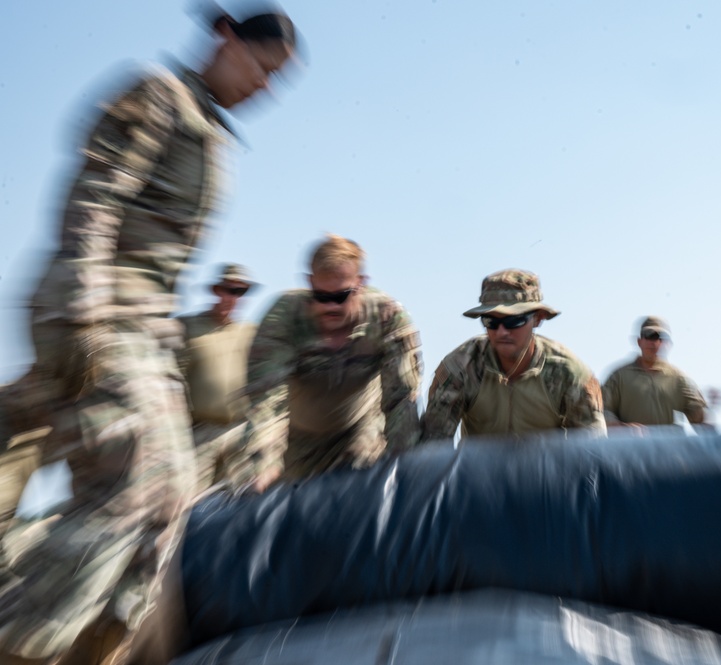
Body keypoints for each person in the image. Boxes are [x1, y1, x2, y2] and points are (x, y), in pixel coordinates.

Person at [0, 8, 299, 664]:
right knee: (135, 490)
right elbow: (95, 198)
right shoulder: (158, 95)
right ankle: (21, 640)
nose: (266, 88)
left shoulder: (209, 130)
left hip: (142, 326)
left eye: (279, 80)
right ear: (224, 37)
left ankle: (94, 648)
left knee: (171, 498)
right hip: (98, 313)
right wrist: (86, 315)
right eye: (263, 66)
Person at [229, 234, 423, 490]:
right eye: (322, 296)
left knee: (357, 497)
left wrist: (405, 465)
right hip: (295, 441)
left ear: (361, 284)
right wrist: (262, 467)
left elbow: (402, 399)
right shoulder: (283, 318)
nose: (331, 306)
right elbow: (266, 401)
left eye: (341, 296)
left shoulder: (387, 317)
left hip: (360, 429)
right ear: (309, 284)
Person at [421, 269, 606, 441]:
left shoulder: (570, 373)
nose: (501, 332)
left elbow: (592, 452)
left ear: (538, 318)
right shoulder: (459, 368)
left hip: (548, 475)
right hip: (477, 476)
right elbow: (432, 446)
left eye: (513, 320)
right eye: (490, 321)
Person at [176, 264, 257, 492]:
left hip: (240, 433)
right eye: (227, 289)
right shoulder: (187, 328)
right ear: (216, 290)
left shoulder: (250, 333)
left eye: (240, 292)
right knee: (189, 502)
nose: (232, 297)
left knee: (243, 503)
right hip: (200, 434)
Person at [601, 316, 708, 431]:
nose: (655, 342)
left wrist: (706, 411)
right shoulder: (618, 377)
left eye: (661, 337)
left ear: (668, 344)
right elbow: (601, 411)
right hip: (630, 448)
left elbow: (700, 420)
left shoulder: (679, 379)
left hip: (666, 448)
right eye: (650, 336)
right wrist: (622, 428)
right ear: (639, 341)